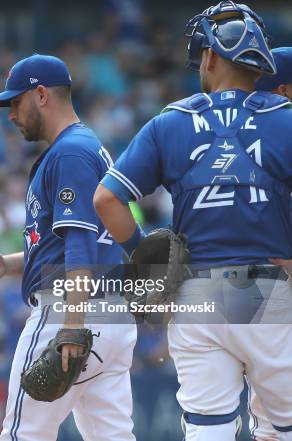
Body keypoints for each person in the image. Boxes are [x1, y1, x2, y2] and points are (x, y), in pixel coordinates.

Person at [94, 3, 292, 440]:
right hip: (269, 292)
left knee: (208, 431)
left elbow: (107, 198)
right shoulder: (285, 118)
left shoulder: (171, 121)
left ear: (210, 57)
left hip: (195, 293)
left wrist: (144, 252)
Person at [0, 54, 136, 441]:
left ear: (41, 94)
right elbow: (70, 244)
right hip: (110, 313)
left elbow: (80, 246)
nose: (10, 114)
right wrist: (8, 264)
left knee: (22, 435)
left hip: (69, 311)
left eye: (15, 101)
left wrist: (72, 329)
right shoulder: (85, 146)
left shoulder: (70, 152)